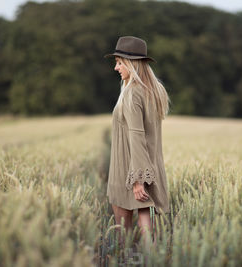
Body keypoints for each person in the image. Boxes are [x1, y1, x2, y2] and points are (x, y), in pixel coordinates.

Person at [104, 36, 170, 244]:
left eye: (119, 63)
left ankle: (128, 260)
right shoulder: (154, 91)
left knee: (123, 237)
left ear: (132, 64)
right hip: (149, 164)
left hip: (129, 169)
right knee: (146, 225)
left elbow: (136, 135)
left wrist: (137, 179)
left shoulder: (132, 94)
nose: (116, 68)